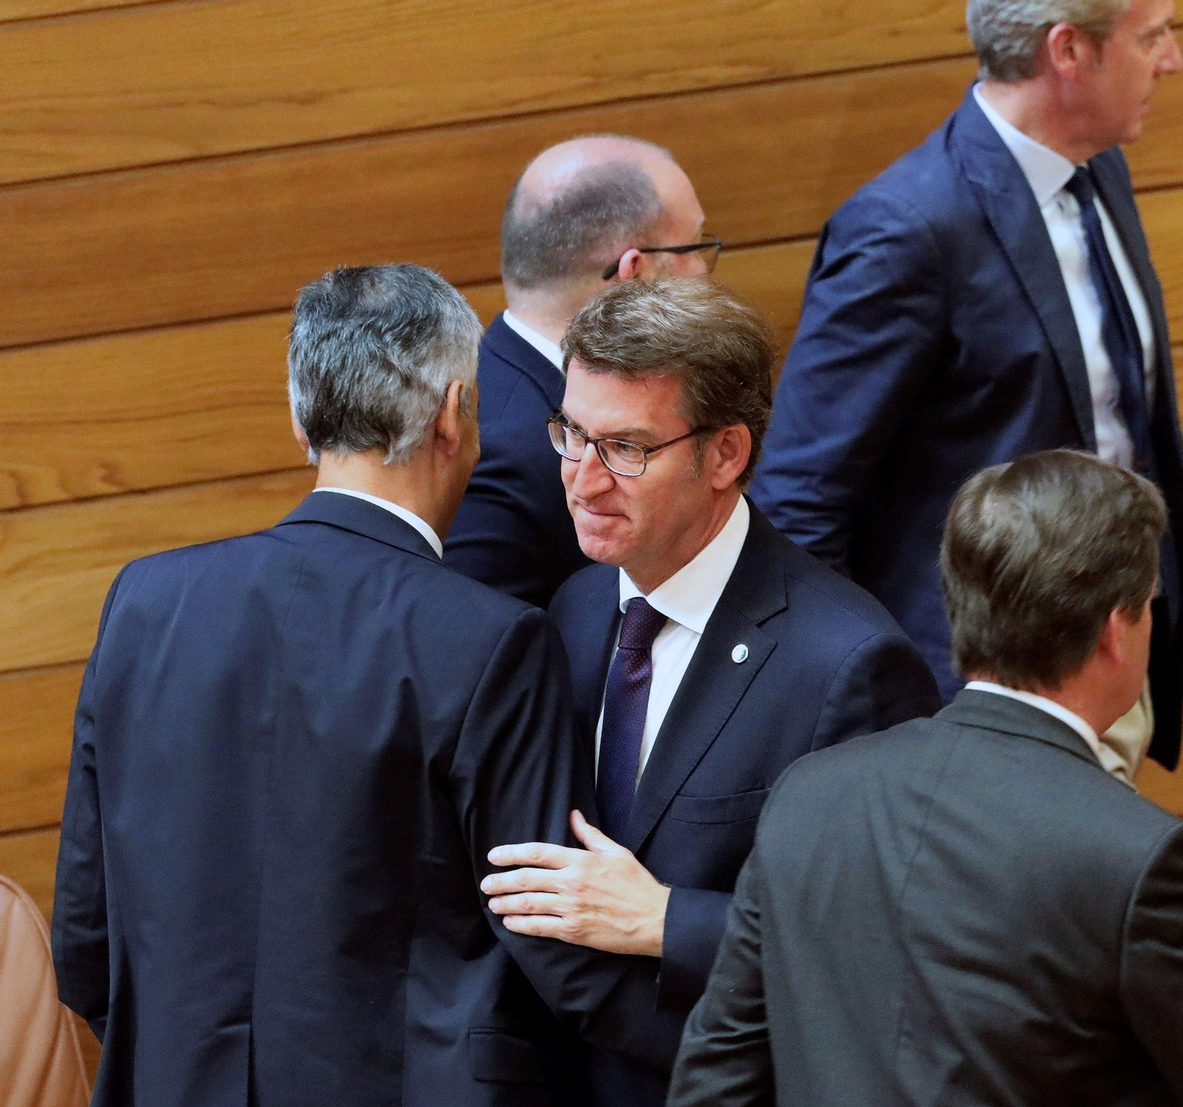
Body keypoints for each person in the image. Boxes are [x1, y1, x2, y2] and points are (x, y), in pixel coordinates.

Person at [51, 265, 680, 1106]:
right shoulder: (492, 639)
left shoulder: (144, 601)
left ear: (300, 421)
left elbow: (86, 940)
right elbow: (553, 949)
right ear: (455, 414)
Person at [668, 449, 1183, 1107]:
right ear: (1116, 631)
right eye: (1150, 603)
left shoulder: (810, 795)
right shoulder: (1145, 864)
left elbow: (717, 1077)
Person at [748, 0, 1183, 779]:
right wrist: (891, 724)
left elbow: (1117, 429)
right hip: (968, 722)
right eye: (1153, 37)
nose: (1173, 60)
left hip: (1108, 678)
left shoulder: (1098, 170)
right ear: (1068, 52)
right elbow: (800, 502)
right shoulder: (907, 228)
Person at [477, 278, 942, 1107]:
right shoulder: (576, 605)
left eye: (625, 449)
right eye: (571, 435)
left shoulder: (851, 663)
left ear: (725, 453)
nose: (582, 482)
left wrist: (666, 919)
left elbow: (884, 943)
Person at [445, 135, 719, 607]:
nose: (706, 275)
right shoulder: (504, 453)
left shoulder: (487, 386)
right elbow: (472, 660)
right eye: (697, 248)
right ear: (637, 273)